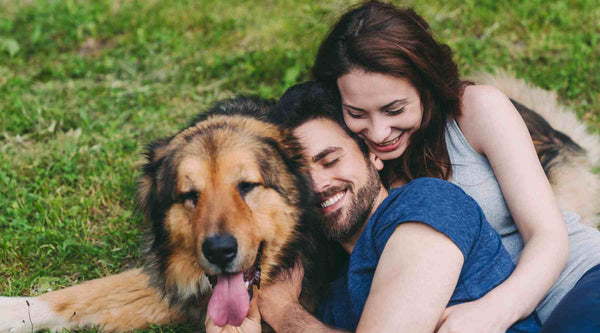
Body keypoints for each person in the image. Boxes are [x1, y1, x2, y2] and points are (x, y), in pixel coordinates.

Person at [310, 1, 600, 332]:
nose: (378, 133)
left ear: (424, 86)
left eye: (394, 109)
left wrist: (492, 311)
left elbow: (548, 236)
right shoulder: (355, 165)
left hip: (574, 284)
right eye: (357, 113)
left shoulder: (476, 111)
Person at [212, 80, 538, 333]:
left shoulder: (426, 204)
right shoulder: (334, 299)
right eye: (297, 176)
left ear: (372, 153)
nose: (317, 184)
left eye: (330, 160)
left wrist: (285, 314)